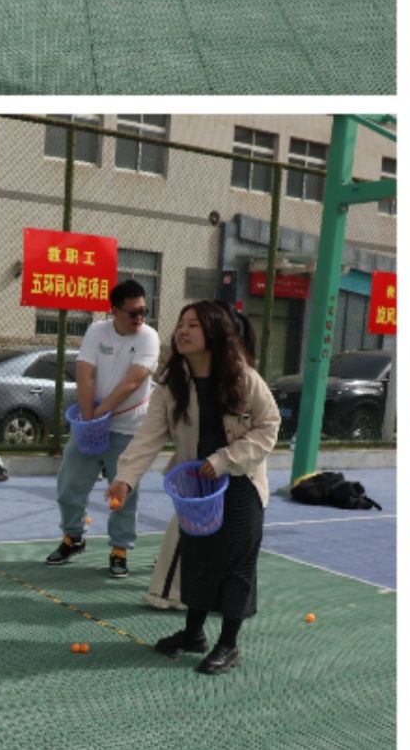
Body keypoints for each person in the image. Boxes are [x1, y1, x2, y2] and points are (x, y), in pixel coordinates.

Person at [111, 301, 280, 674]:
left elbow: (269, 426)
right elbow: (149, 435)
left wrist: (223, 460)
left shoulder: (243, 377)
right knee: (198, 560)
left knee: (237, 564)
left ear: (214, 333)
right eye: (181, 324)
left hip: (241, 483)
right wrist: (125, 478)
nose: (182, 331)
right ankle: (193, 634)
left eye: (193, 325)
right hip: (196, 487)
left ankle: (228, 645)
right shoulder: (171, 383)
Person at [49, 280, 159, 577]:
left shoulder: (148, 337)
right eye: (133, 313)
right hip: (90, 425)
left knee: (122, 492)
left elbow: (133, 382)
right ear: (114, 311)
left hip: (128, 429)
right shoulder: (97, 332)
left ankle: (120, 550)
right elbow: (85, 374)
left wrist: (101, 413)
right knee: (68, 486)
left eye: (144, 311)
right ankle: (73, 538)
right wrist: (89, 420)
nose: (140, 318)